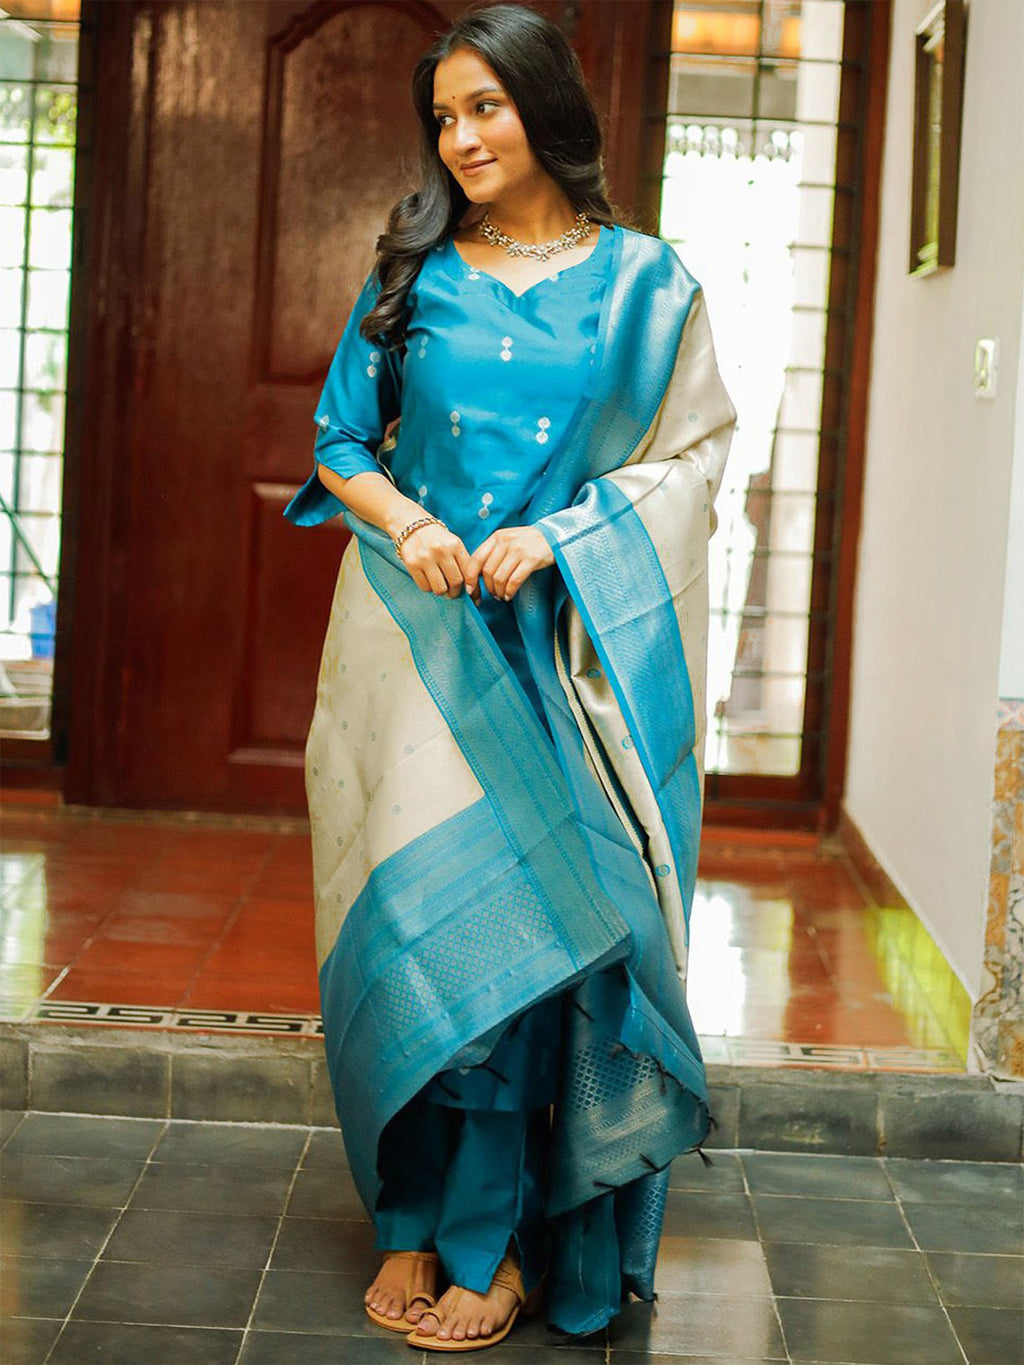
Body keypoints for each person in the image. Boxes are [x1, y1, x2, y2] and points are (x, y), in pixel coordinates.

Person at [284, 2, 736, 1351]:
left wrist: (561, 535)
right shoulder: (412, 275)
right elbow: (337, 443)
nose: (464, 136)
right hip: (412, 651)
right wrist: (414, 522)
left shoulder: (652, 288)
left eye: (486, 106)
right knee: (423, 927)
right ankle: (407, 1215)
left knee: (535, 949)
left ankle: (497, 1241)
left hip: (565, 658)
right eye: (444, 115)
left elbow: (693, 460)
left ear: (547, 109)